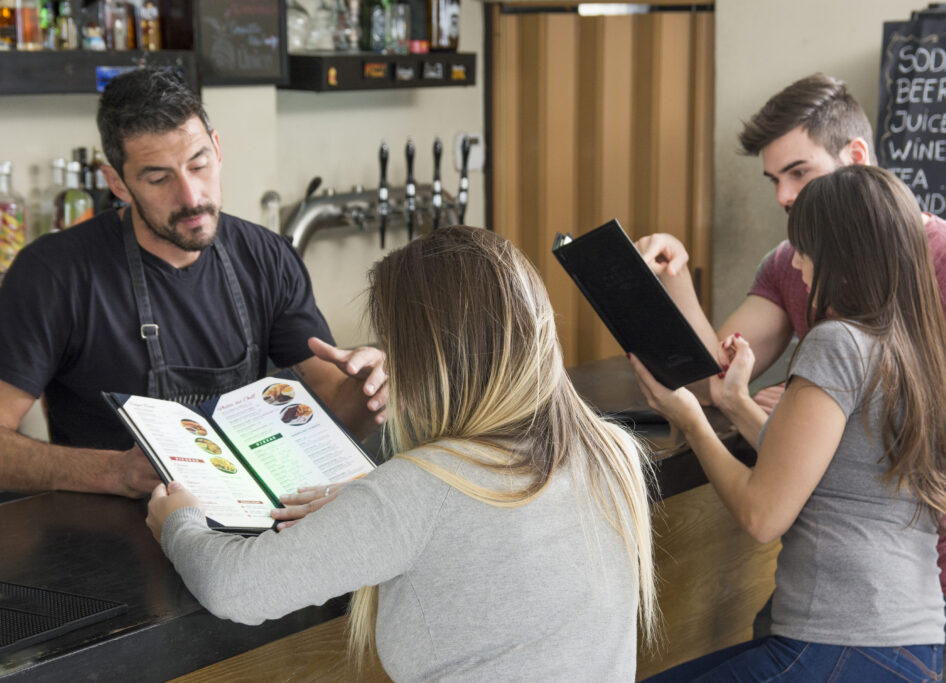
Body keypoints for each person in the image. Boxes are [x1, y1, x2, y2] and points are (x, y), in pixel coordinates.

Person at [145, 226, 657, 681]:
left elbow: (235, 587)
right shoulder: (612, 449)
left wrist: (179, 521)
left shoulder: (418, 492)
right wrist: (375, 495)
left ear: (422, 356)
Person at [637, 74, 946, 681]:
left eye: (799, 174)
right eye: (774, 181)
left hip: (941, 579)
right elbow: (722, 374)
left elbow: (945, 443)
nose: (784, 198)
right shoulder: (814, 279)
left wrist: (794, 408)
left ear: (854, 161)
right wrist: (678, 284)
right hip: (869, 618)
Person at [0, 68, 386, 501]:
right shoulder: (54, 274)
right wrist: (113, 472)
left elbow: (333, 410)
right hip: (102, 541)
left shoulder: (267, 258)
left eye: (198, 165)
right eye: (158, 178)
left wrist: (372, 388)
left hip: (246, 529)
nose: (191, 197)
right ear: (117, 183)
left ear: (217, 149)